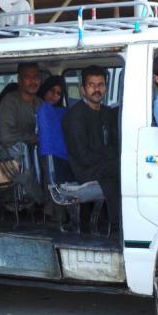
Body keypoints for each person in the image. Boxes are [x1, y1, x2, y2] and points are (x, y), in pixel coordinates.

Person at [62, 65, 120, 225]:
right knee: (125, 167)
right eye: (91, 85)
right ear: (83, 89)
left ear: (106, 88)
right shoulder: (75, 117)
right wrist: (111, 156)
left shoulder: (107, 112)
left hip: (104, 163)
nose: (96, 89)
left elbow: (116, 142)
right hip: (85, 169)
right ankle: (117, 224)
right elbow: (83, 156)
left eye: (100, 85)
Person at [0, 62, 42, 146]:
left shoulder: (41, 103)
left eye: (35, 77)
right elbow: (5, 136)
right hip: (16, 156)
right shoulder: (10, 101)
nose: (32, 81)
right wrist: (34, 138)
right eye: (27, 77)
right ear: (19, 79)